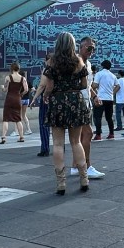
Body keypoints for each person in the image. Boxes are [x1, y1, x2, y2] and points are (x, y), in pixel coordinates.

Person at [36, 32, 91, 194]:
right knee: (76, 142)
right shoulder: (78, 61)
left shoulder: (52, 62)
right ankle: (84, 179)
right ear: (72, 45)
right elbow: (83, 84)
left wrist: (46, 96)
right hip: (75, 100)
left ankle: (61, 184)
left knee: (58, 144)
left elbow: (50, 86)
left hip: (58, 101)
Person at [71, 36, 104, 179]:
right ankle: (86, 166)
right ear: (81, 47)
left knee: (80, 136)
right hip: (78, 103)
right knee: (88, 133)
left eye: (94, 49)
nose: (91, 51)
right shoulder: (76, 63)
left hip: (86, 102)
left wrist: (95, 96)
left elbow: (87, 86)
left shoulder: (88, 64)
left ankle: (74, 166)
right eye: (89, 48)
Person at [0, 62, 27, 143]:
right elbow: (26, 89)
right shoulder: (23, 78)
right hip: (17, 99)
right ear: (19, 69)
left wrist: (2, 87)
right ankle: (21, 137)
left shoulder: (8, 78)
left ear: (11, 68)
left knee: (6, 119)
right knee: (18, 119)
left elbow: (5, 89)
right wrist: (20, 94)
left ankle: (3, 137)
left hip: (9, 98)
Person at [92, 59, 118, 140]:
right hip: (110, 99)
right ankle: (111, 133)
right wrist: (112, 93)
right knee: (109, 117)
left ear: (102, 66)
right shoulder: (113, 76)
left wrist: (91, 86)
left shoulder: (99, 74)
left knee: (98, 117)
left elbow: (95, 85)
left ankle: (98, 134)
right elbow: (118, 86)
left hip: (100, 98)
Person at [30, 65, 51, 157]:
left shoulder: (47, 70)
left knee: (44, 124)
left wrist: (34, 98)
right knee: (58, 126)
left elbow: (42, 85)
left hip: (46, 99)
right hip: (59, 99)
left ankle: (45, 149)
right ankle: (61, 147)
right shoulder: (62, 68)